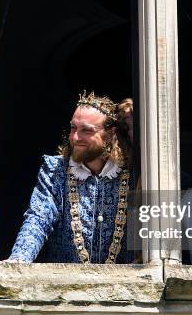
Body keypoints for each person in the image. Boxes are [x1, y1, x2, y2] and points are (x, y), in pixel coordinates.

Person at [7, 91, 133, 263]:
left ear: (110, 134)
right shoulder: (55, 170)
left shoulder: (133, 173)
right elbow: (38, 218)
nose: (75, 137)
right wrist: (19, 259)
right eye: (73, 128)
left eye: (86, 131)